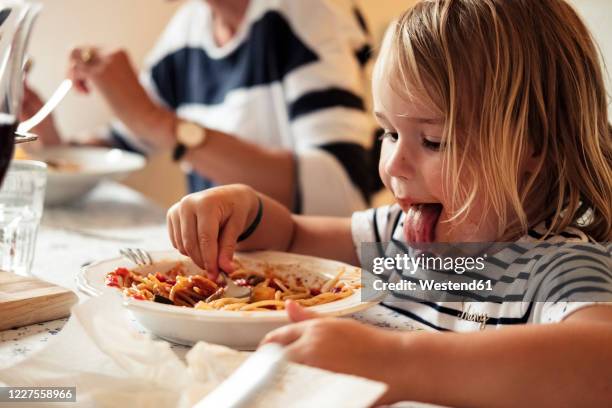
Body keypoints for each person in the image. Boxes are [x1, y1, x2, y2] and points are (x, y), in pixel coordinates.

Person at [166, 0, 612, 405]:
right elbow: (294, 237)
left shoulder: (556, 268)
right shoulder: (393, 239)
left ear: (533, 146)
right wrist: (244, 209)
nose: (394, 165)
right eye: (389, 133)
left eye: (434, 140)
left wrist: (396, 359)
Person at [22, 0, 377, 215]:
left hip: (310, 280)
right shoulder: (188, 29)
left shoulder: (310, 14)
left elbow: (343, 193)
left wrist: (156, 121)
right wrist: (43, 132)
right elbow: (124, 143)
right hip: (225, 268)